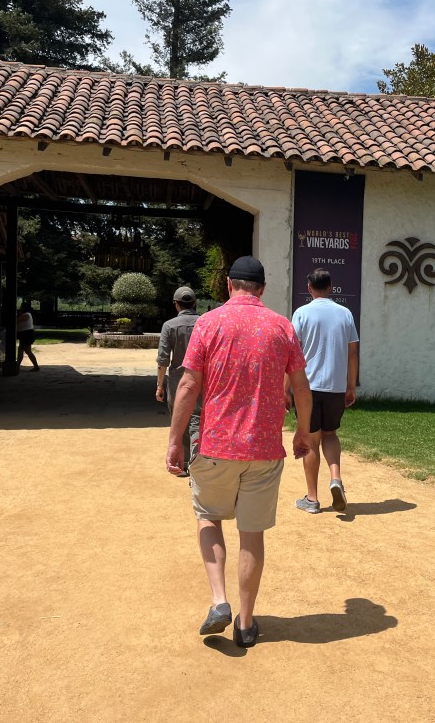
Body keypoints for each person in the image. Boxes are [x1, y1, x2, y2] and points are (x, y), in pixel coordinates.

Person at [166, 256, 312, 648]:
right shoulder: (282, 326)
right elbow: (301, 387)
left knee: (208, 516)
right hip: (264, 450)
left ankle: (219, 601)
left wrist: (174, 440)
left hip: (215, 445)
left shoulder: (208, 324)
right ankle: (246, 624)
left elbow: (188, 385)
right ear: (262, 288)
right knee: (252, 534)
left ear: (229, 284)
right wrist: (302, 433)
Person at [288, 268, 359, 514]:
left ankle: (312, 498)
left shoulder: (301, 313)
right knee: (330, 434)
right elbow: (352, 353)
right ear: (330, 287)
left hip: (307, 387)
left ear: (309, 288)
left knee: (310, 439)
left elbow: (292, 353)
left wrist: (285, 389)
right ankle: (336, 478)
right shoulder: (345, 314)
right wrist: (350, 386)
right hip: (335, 387)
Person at [157, 286, 201, 477]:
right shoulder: (204, 323)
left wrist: (160, 385)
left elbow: (163, 359)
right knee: (198, 420)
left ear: (176, 305)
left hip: (177, 380)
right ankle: (197, 462)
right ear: (195, 303)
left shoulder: (169, 326)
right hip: (202, 378)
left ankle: (182, 463)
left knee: (179, 418)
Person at [16, 301, 39, 371]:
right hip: (24, 334)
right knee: (20, 351)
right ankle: (17, 366)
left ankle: (36, 366)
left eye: (21, 307)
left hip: (26, 335)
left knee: (28, 351)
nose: (20, 308)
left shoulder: (26, 315)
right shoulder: (26, 314)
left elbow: (16, 321)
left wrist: (19, 314)